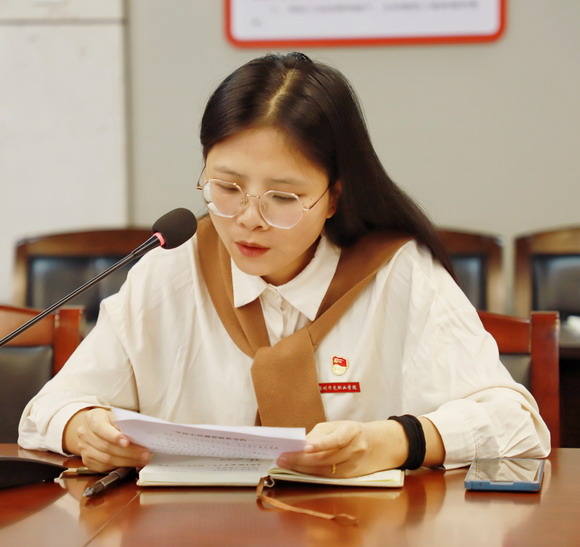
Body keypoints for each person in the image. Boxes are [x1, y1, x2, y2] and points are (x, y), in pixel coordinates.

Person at [19, 52, 550, 475]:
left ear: (333, 197)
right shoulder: (172, 266)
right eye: (227, 188)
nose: (248, 220)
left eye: (282, 197)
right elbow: (48, 409)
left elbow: (518, 424)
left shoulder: (397, 273)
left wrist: (395, 440)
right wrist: (83, 426)